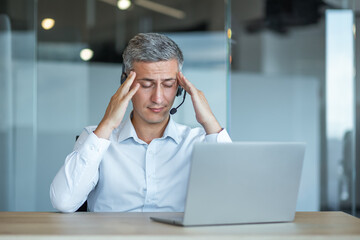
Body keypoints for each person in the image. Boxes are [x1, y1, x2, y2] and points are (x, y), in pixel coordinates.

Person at [50, 33, 231, 212]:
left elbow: (234, 196)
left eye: (168, 84)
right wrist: (107, 124)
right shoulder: (96, 139)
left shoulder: (197, 142)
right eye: (146, 84)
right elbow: (63, 202)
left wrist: (209, 122)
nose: (158, 98)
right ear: (125, 83)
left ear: (180, 88)